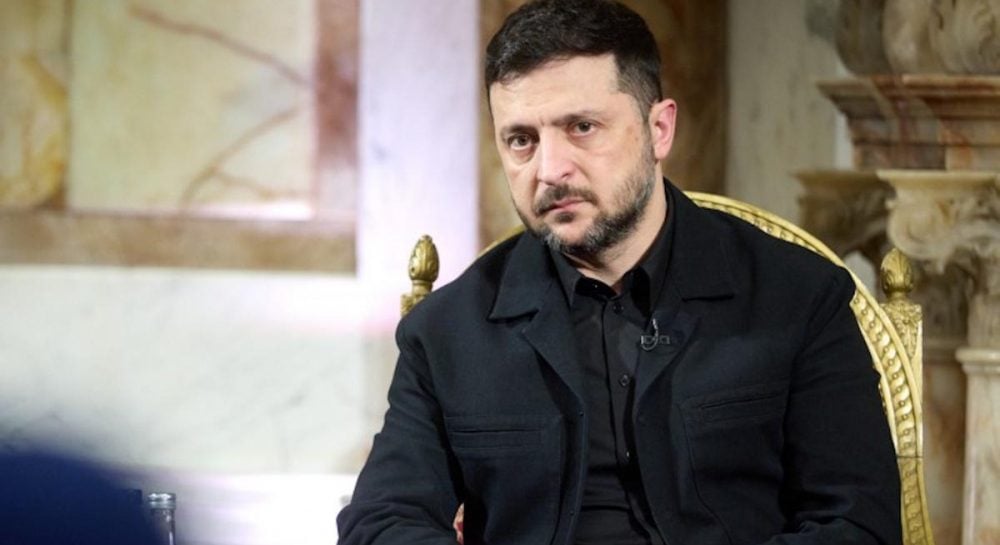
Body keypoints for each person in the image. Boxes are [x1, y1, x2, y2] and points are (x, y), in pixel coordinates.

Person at [337, 1, 901, 544]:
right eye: (522, 140)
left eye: (582, 127)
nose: (550, 170)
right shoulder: (448, 333)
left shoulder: (798, 297)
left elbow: (858, 525)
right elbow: (379, 523)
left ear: (659, 130)